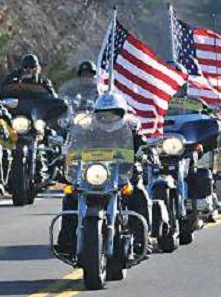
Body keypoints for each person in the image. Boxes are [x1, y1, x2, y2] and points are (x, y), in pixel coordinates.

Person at [56, 93, 151, 256]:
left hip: (121, 175)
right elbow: (75, 145)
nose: (109, 118)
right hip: (94, 175)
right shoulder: (88, 131)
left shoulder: (130, 130)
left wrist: (147, 153)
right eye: (104, 114)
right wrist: (64, 156)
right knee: (71, 196)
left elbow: (143, 145)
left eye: (114, 113)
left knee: (139, 193)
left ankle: (142, 240)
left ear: (122, 114)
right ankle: (67, 242)